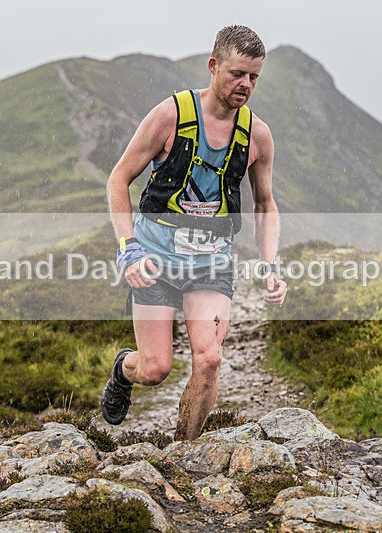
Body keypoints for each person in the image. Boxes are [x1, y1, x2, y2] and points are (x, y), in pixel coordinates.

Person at [103, 25, 287, 441]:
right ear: (213, 66)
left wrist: (270, 264)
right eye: (237, 73)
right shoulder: (171, 116)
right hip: (155, 257)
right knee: (155, 369)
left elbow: (264, 203)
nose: (245, 85)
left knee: (209, 359)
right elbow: (119, 179)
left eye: (254, 77)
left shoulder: (256, 134)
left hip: (211, 260)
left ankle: (183, 454)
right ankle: (123, 368)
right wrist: (127, 247)